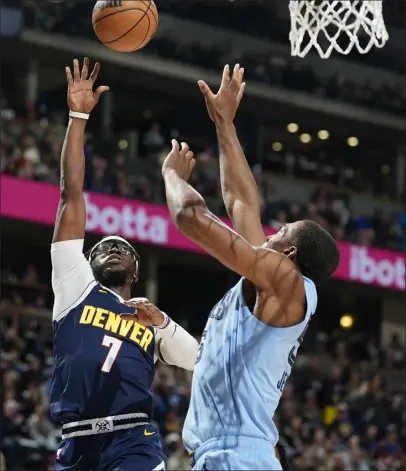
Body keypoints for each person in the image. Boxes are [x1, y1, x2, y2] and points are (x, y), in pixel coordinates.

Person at [161, 64, 340, 470]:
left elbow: (190, 216)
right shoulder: (270, 284)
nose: (271, 232)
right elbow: (241, 202)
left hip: (237, 457)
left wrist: (171, 175)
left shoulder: (287, 283)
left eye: (282, 231)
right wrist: (225, 124)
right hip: (226, 455)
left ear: (290, 255)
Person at [51, 58, 198, 471]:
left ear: (134, 271)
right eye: (102, 247)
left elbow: (201, 360)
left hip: (134, 439)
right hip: (76, 443)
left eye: (123, 248)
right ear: (88, 262)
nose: (112, 248)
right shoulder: (74, 286)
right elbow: (71, 195)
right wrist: (79, 116)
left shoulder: (149, 317)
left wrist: (163, 324)